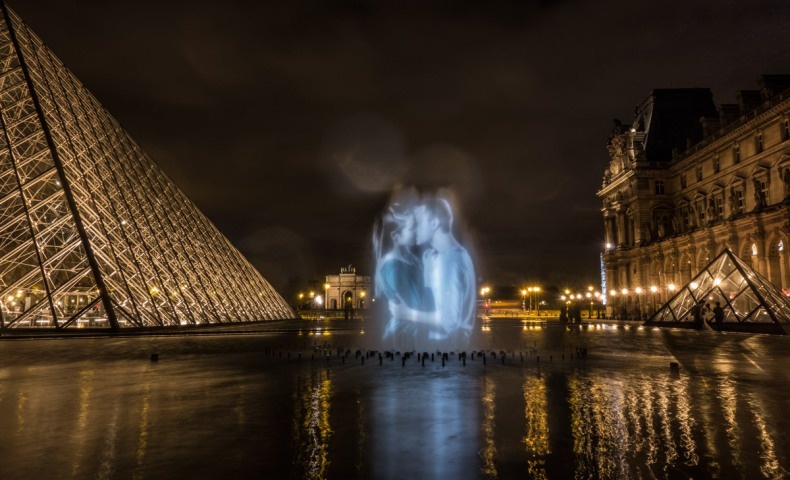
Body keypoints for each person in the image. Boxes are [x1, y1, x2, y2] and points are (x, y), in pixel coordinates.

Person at [389, 194, 476, 349]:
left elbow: (447, 322)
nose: (414, 228)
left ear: (435, 223)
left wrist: (406, 313)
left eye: (419, 222)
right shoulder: (454, 256)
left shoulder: (448, 262)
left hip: (444, 354)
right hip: (451, 353)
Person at [372, 199, 435, 348]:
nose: (416, 230)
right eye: (412, 228)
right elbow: (420, 305)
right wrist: (429, 273)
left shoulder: (408, 258)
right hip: (404, 338)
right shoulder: (393, 267)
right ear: (395, 237)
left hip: (415, 334)